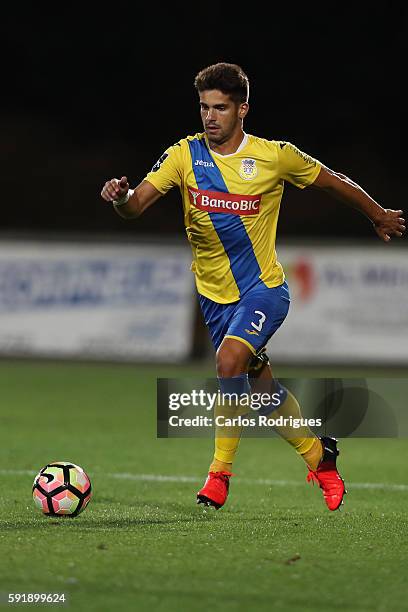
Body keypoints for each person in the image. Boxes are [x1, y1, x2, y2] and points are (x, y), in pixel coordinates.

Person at [101, 62, 405, 512]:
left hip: (263, 290)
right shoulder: (184, 155)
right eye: (204, 107)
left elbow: (333, 181)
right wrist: (122, 198)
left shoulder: (274, 155)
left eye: (220, 108)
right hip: (215, 299)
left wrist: (377, 214)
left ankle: (219, 474)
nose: (210, 116)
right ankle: (320, 456)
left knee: (228, 362)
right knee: (262, 393)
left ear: (242, 108)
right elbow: (137, 206)